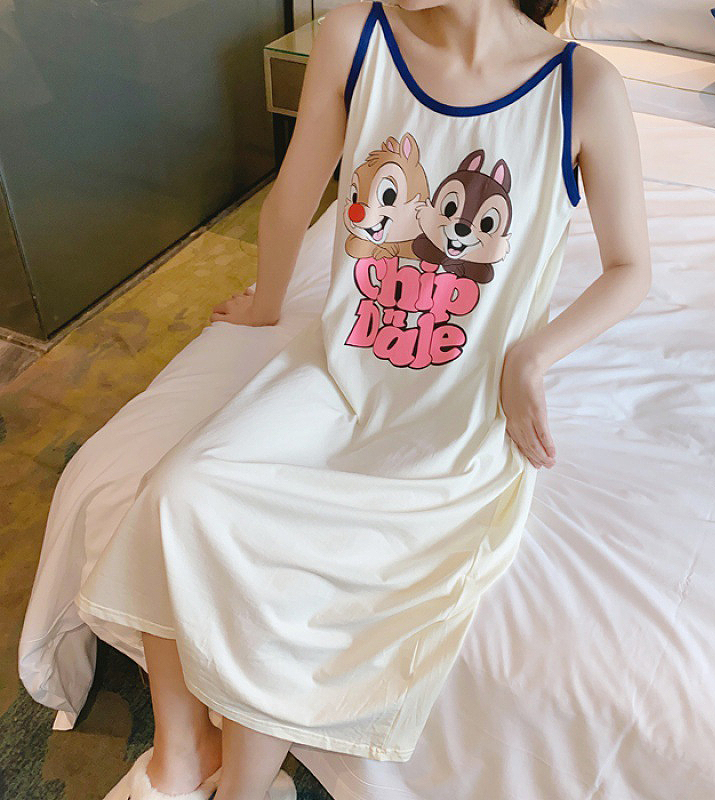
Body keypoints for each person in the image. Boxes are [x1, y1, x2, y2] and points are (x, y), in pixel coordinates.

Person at [77, 1, 651, 798]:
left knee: (312, 572)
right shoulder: (356, 39)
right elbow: (293, 195)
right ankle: (183, 756)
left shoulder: (582, 86)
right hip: (338, 375)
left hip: (454, 406)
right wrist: (267, 303)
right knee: (178, 492)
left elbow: (631, 269)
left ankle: (245, 788)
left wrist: (532, 354)